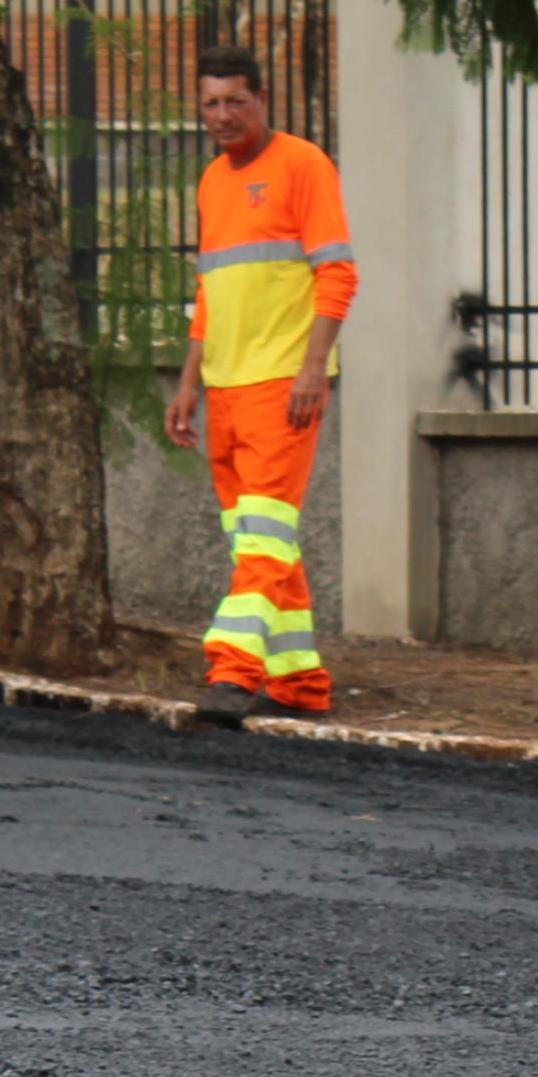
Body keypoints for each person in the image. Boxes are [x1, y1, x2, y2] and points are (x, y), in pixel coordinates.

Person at [160, 45, 353, 721]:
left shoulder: (302, 164)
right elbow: (210, 293)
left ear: (262, 100)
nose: (222, 115)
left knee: (264, 535)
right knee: (260, 539)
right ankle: (300, 682)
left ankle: (233, 671)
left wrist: (312, 367)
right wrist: (189, 384)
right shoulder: (213, 180)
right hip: (226, 385)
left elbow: (337, 272)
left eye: (235, 101)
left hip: (282, 383)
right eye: (210, 103)